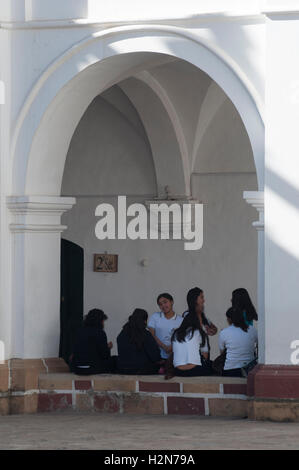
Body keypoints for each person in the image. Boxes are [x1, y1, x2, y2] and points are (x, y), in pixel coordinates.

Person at [70, 308, 116, 375]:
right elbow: (104, 355)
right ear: (99, 321)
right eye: (103, 321)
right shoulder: (100, 333)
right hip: (92, 369)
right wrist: (108, 347)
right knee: (115, 360)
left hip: (77, 369)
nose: (103, 323)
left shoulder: (79, 331)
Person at [117, 308, 161, 374]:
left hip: (123, 368)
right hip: (142, 369)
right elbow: (155, 356)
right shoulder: (145, 334)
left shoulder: (122, 334)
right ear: (144, 321)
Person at [171, 309, 212, 377]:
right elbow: (205, 356)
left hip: (178, 371)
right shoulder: (200, 332)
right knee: (211, 364)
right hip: (194, 370)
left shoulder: (176, 333)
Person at [219, 307, 258, 377]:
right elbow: (259, 345)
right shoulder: (252, 330)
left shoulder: (224, 332)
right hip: (249, 369)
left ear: (229, 319)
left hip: (231, 369)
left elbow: (222, 352)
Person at [183, 287, 217, 359]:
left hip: (205, 351)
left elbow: (214, 328)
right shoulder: (187, 315)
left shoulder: (202, 315)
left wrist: (212, 330)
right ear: (195, 299)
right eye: (201, 297)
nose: (204, 300)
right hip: (194, 353)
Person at [148, 293, 182, 360]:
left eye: (165, 302)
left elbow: (182, 338)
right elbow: (151, 335)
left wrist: (171, 347)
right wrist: (164, 347)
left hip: (175, 357)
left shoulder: (181, 320)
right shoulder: (155, 316)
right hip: (158, 356)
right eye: (160, 304)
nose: (163, 305)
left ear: (172, 302)